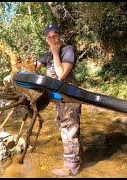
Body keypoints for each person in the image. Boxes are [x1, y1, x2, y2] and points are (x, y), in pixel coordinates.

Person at [36, 23, 83, 177]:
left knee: (69, 129)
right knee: (67, 127)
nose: (52, 39)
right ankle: (77, 160)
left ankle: (71, 168)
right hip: (58, 99)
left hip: (70, 97)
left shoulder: (67, 50)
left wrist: (56, 53)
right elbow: (32, 66)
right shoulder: (46, 55)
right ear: (46, 39)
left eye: (54, 35)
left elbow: (61, 75)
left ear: (59, 35)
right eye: (49, 37)